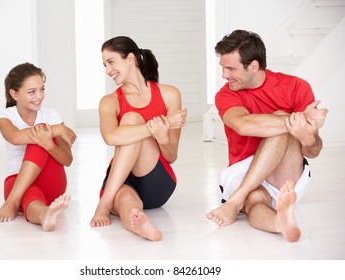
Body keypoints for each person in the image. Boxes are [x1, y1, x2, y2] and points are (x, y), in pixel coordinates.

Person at [206, 30, 328, 242]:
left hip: (285, 169)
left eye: (230, 68)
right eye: (222, 68)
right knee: (255, 200)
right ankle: (279, 222)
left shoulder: (296, 87)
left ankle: (234, 202)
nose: (224, 75)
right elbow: (243, 125)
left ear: (253, 66)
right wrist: (300, 119)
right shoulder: (226, 94)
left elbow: (313, 150)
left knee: (281, 120)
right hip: (243, 168)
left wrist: (307, 135)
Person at [90, 36, 187, 241]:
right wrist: (159, 125)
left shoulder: (169, 94)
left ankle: (104, 204)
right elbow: (110, 137)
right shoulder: (109, 101)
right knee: (127, 201)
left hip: (155, 180)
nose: (107, 70)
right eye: (104, 65)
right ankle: (140, 225)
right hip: (120, 180)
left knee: (131, 117)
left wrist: (162, 138)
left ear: (130, 59)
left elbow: (171, 156)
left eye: (111, 62)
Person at [0, 62, 76, 232]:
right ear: (14, 94)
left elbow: (67, 160)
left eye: (42, 89)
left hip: (51, 182)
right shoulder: (5, 117)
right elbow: (15, 138)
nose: (39, 96)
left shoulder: (51, 115)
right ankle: (45, 214)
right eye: (31, 92)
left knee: (40, 141)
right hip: (17, 184)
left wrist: (49, 145)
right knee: (31, 197)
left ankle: (12, 203)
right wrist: (57, 129)